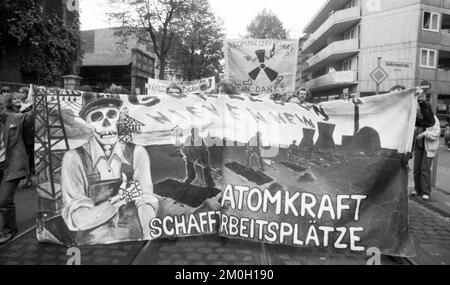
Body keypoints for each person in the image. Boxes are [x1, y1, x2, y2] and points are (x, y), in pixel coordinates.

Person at [60, 94, 159, 244]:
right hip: (92, 245)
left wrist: (149, 237)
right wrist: (120, 199)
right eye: (97, 117)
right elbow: (79, 220)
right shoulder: (74, 158)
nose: (106, 123)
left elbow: (146, 200)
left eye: (112, 115)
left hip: (132, 238)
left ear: (119, 119)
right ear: (88, 123)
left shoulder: (138, 153)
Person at [0, 96, 33, 244]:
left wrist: (42, 98)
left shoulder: (13, 118)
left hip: (11, 165)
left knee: (4, 200)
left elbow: (30, 117)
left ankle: (9, 230)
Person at [411, 91, 440, 201]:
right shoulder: (418, 119)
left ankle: (426, 191)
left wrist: (424, 134)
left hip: (428, 148)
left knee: (425, 170)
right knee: (416, 169)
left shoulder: (434, 119)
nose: (419, 110)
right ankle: (417, 189)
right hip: (419, 147)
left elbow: (436, 134)